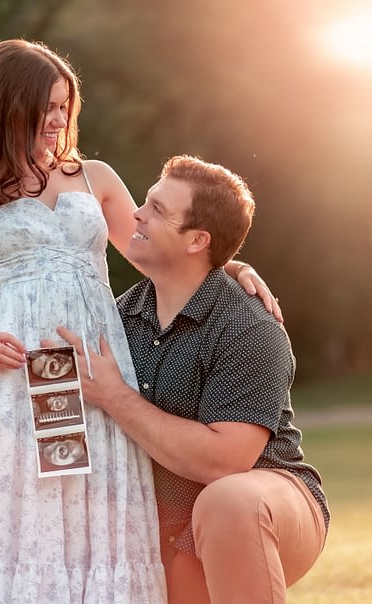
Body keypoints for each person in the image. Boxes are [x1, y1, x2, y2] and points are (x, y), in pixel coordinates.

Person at [0, 40, 280, 603]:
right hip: (22, 372)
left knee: (98, 506)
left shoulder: (92, 177)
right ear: (6, 106)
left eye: (66, 105)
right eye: (47, 106)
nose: (59, 119)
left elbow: (156, 244)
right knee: (39, 508)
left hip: (95, 367)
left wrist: (228, 261)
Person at [55, 155, 330, 603]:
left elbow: (226, 461)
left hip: (266, 503)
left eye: (158, 210)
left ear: (197, 240)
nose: (136, 215)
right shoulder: (115, 320)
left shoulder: (249, 326)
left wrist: (117, 398)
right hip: (165, 532)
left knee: (228, 503)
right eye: (145, 202)